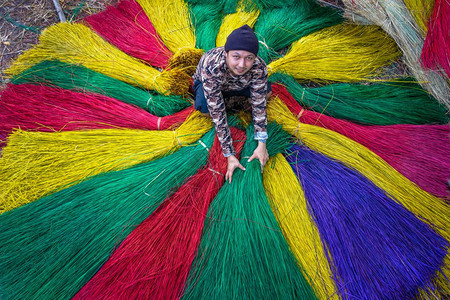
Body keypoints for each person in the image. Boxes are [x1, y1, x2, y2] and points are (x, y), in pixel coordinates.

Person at [192, 24, 271, 183]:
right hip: (213, 86)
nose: (242, 64)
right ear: (226, 53)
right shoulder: (212, 66)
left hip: (240, 84)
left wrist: (262, 144)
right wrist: (230, 155)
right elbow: (218, 115)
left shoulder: (259, 67)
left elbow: (259, 105)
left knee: (266, 93)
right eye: (236, 56)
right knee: (204, 108)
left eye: (249, 58)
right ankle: (230, 101)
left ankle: (233, 100)